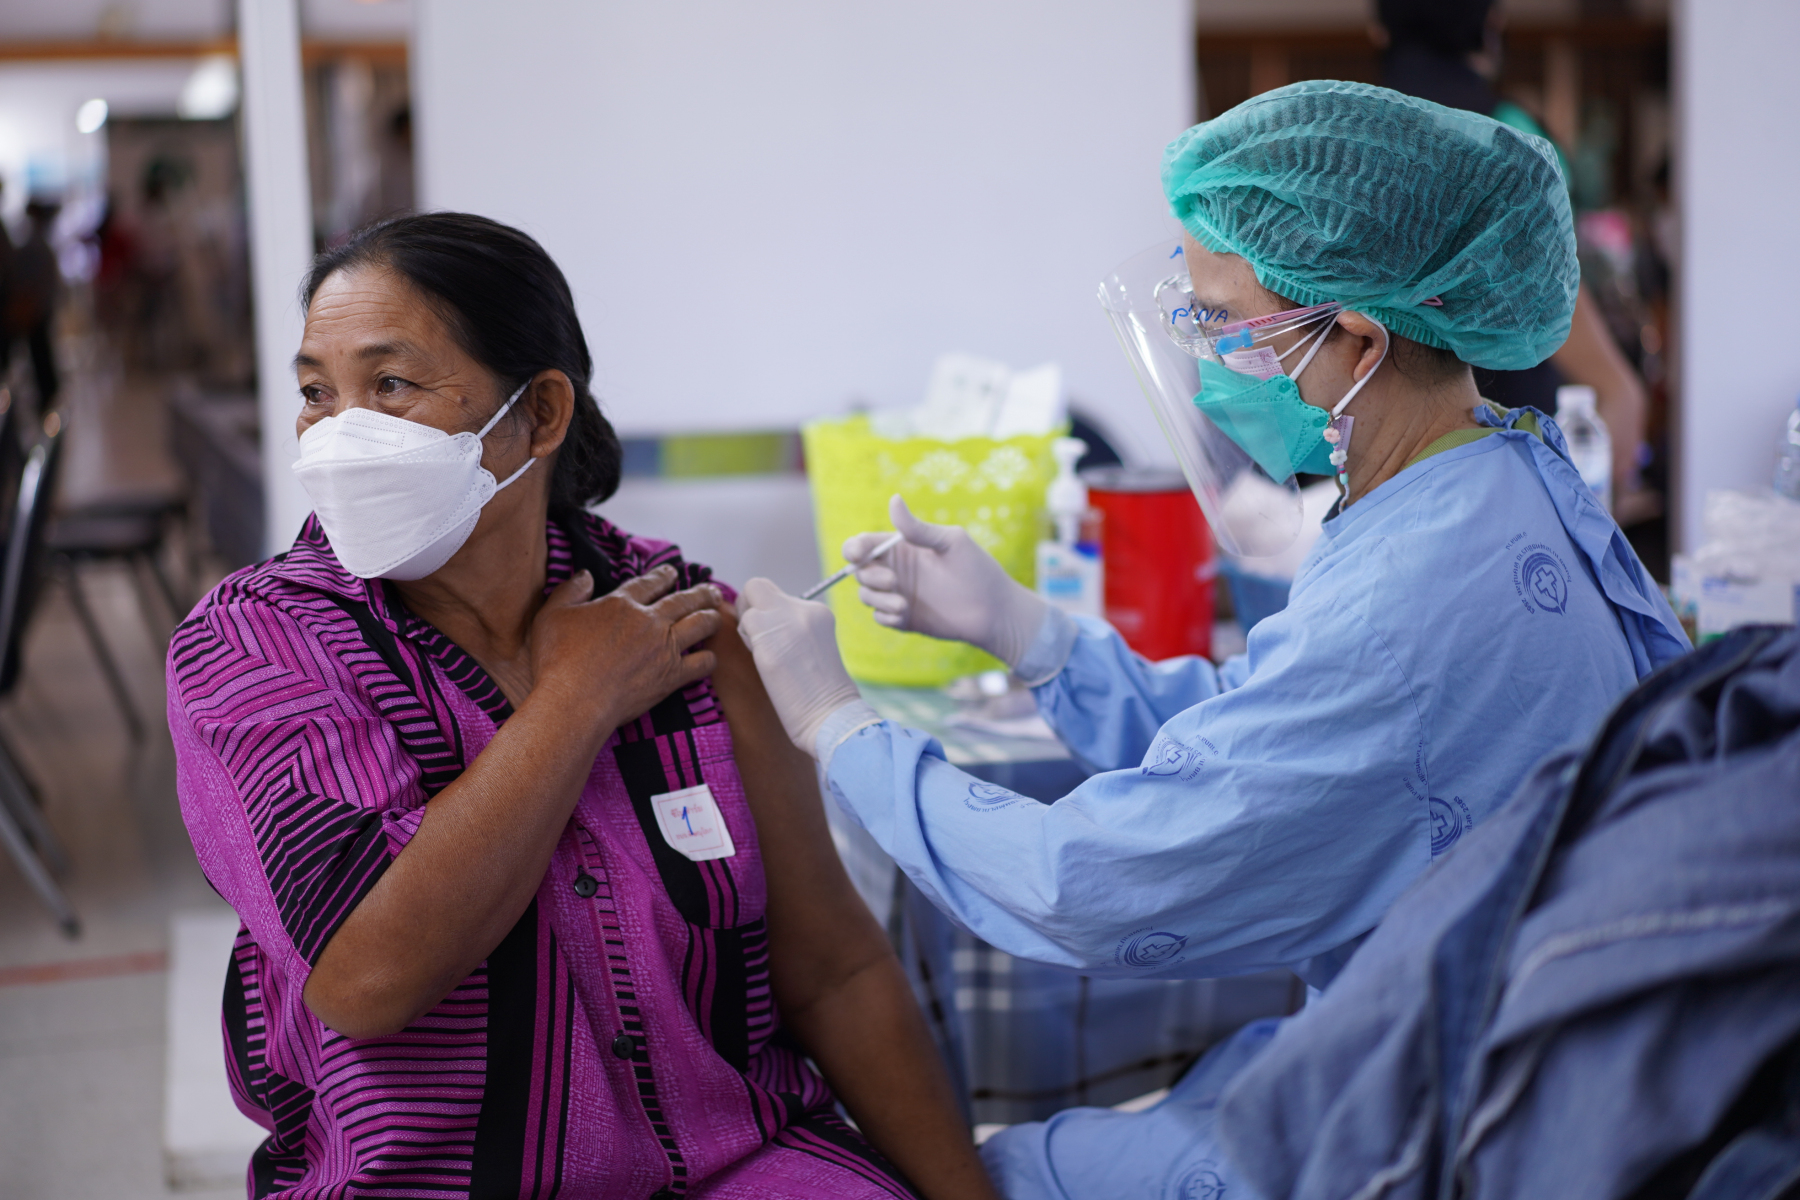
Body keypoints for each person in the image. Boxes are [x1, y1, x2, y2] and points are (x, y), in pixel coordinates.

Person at [734, 81, 1689, 1198]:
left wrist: (840, 727)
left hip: (1461, 1122)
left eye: (1221, 321)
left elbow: (1088, 884)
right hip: (1508, 1049)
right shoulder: (1494, 472)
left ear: (1358, 340)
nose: (1205, 352)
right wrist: (1034, 637)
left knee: (995, 1176)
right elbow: (1276, 733)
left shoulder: (1399, 595)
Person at [168, 213, 997, 1200]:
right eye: (317, 392)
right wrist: (575, 700)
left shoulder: (688, 627)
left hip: (745, 1164)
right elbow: (365, 980)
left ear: (541, 413)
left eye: (390, 384)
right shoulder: (257, 648)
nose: (342, 432)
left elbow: (834, 971)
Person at [1376, 0, 1657, 521]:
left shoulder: (1350, 138)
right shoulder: (1508, 129)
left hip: (1378, 449)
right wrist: (1618, 390)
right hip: (1508, 438)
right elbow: (1544, 276)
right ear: (1492, 23)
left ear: (1378, 29)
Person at [8, 198, 60, 411]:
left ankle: (47, 395)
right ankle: (47, 393)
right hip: (39, 307)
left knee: (40, 353)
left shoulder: (34, 246)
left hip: (36, 308)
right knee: (40, 352)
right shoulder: (38, 244)